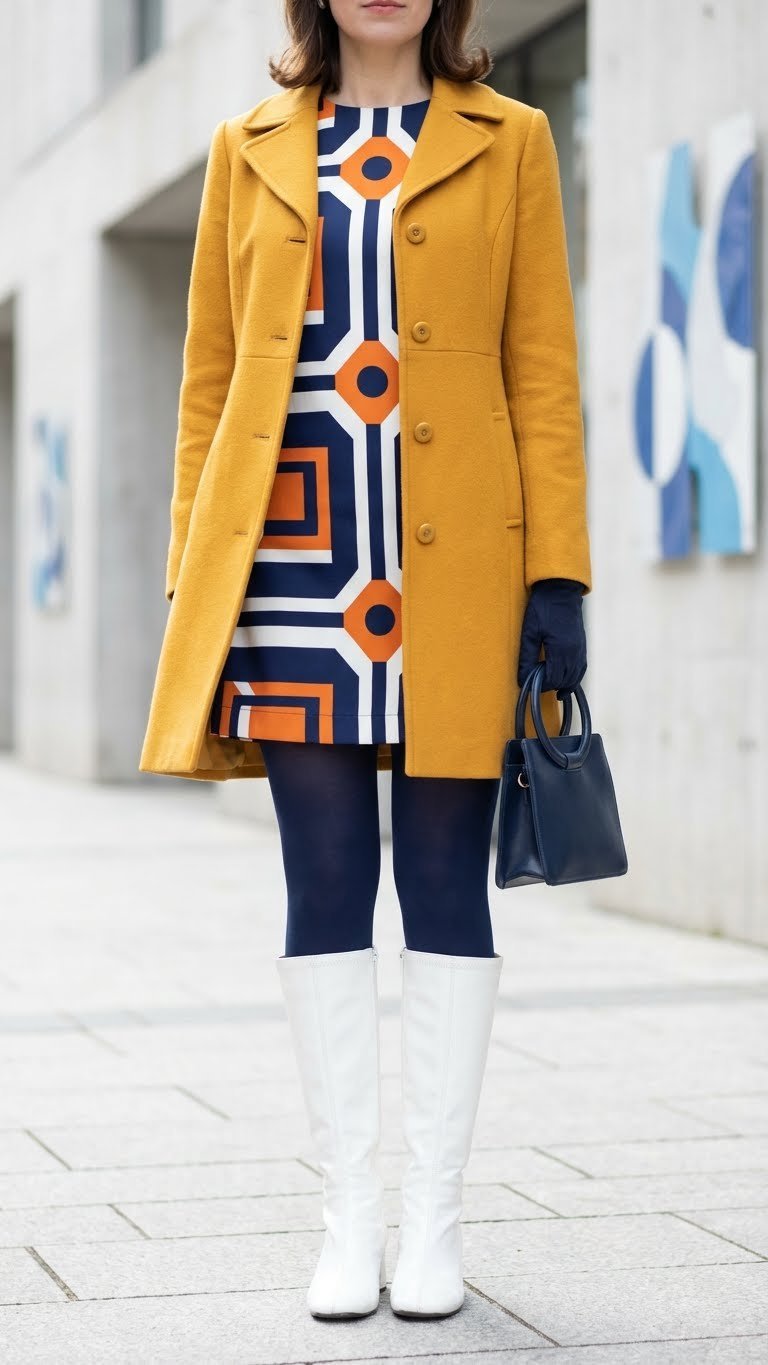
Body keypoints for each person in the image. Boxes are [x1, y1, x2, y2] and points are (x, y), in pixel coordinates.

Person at [139, 0, 592, 1323]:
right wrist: (192, 574)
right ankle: (349, 1220)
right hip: (293, 569)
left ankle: (432, 1224)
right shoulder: (247, 146)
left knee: (446, 883)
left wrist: (558, 576)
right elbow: (209, 384)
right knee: (325, 881)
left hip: (460, 574)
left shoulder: (512, 140)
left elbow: (543, 372)